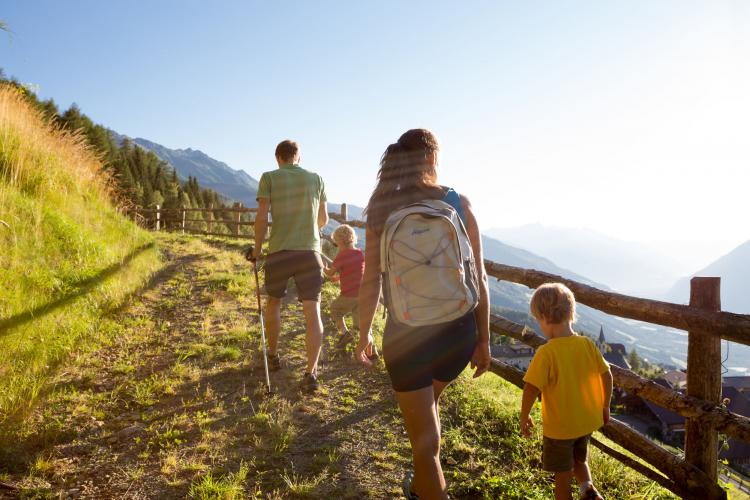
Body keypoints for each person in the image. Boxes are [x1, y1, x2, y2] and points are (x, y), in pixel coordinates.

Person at [356, 129, 491, 500]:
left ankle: (425, 487)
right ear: (432, 158)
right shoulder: (458, 202)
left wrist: (364, 333)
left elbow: (370, 280)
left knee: (424, 442)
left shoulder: (382, 208)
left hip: (406, 335)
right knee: (428, 417)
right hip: (457, 332)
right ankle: (420, 486)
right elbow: (478, 276)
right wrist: (484, 339)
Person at [519, 283, 613, 500]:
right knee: (580, 461)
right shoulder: (587, 344)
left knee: (562, 476)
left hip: (560, 428)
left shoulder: (546, 352)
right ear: (571, 313)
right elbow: (606, 374)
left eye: (537, 319)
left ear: (544, 317)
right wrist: (605, 405)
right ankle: (588, 489)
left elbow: (531, 387)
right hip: (585, 422)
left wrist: (524, 415)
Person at [253, 139, 328, 393]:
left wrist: (257, 249)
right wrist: (308, 231)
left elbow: (262, 216)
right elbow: (323, 219)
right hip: (309, 253)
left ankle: (273, 356)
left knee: (274, 303)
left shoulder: (269, 178)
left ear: (278, 158)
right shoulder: (316, 178)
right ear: (299, 157)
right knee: (312, 310)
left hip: (279, 253)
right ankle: (311, 372)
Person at [323, 224, 366, 348]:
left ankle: (345, 333)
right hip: (361, 294)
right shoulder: (359, 253)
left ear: (340, 241)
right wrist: (339, 277)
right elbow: (355, 271)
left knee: (335, 310)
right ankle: (367, 349)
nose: (337, 246)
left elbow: (330, 272)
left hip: (348, 294)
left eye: (336, 243)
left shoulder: (341, 255)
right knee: (358, 323)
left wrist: (323, 267)